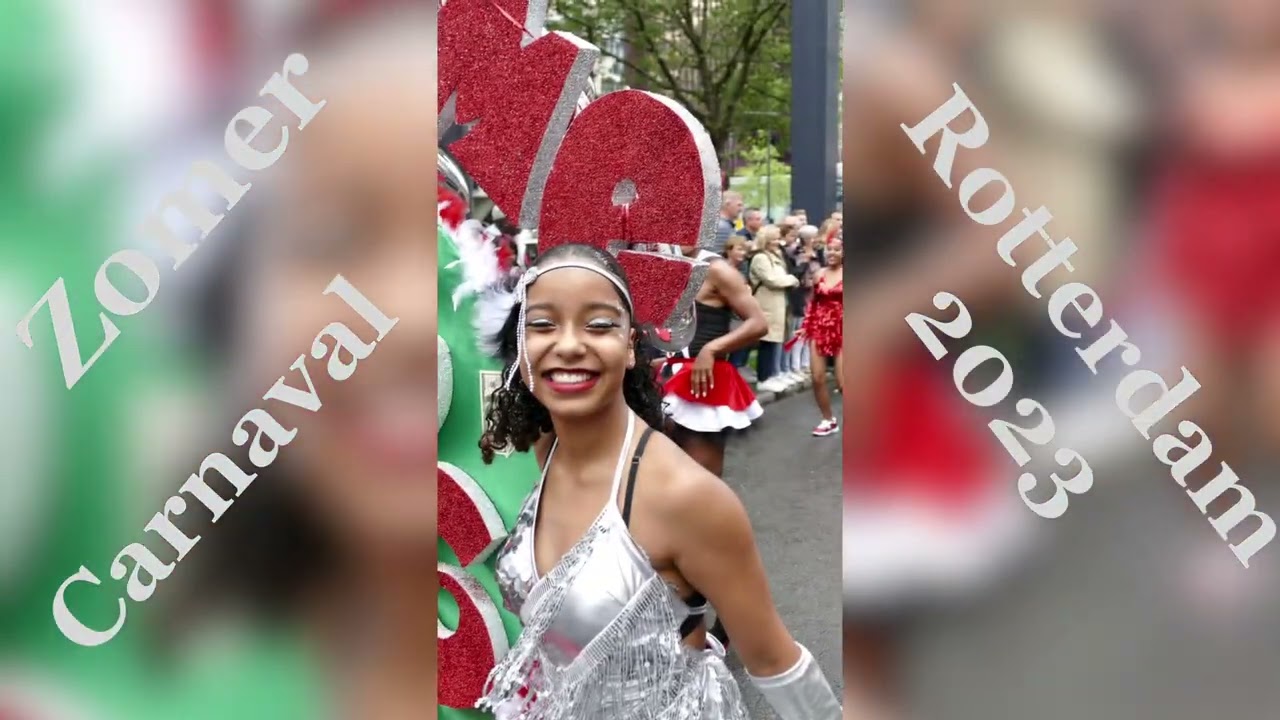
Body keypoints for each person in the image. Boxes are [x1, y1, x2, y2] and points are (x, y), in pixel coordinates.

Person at [475, 243, 841, 720]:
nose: (567, 344)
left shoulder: (685, 496)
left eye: (599, 324)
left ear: (630, 347)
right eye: (543, 324)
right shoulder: (550, 450)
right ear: (519, 347)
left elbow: (775, 661)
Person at [800, 239, 844, 436]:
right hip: (819, 327)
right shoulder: (819, 274)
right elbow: (812, 303)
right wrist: (805, 326)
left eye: (837, 249)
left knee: (844, 382)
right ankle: (828, 420)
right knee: (817, 377)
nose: (832, 253)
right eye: (829, 249)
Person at [750, 225, 799, 393]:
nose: (778, 242)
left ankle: (772, 374)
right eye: (775, 239)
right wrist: (791, 279)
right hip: (766, 306)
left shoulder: (774, 255)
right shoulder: (761, 258)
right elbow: (772, 280)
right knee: (767, 342)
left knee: (776, 341)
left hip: (778, 305)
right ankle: (764, 378)